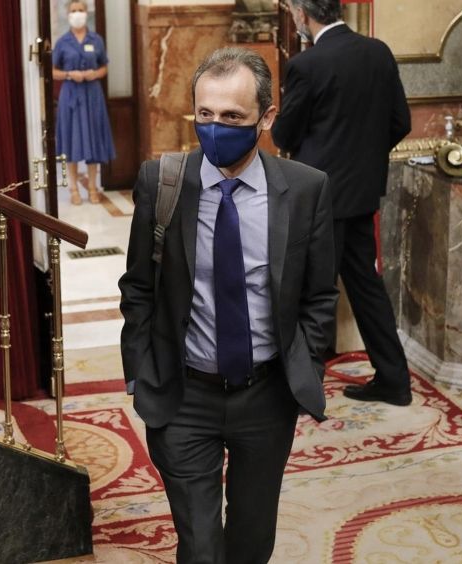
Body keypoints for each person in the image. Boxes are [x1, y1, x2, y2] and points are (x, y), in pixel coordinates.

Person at [119, 47, 337, 563]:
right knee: (200, 546)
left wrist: (306, 367)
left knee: (251, 542)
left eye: (233, 117)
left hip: (266, 396)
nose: (215, 128)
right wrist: (141, 372)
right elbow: (139, 287)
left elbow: (319, 295)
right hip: (182, 395)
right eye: (205, 114)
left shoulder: (305, 189)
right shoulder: (161, 182)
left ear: (266, 117)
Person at [272, 0, 414, 406]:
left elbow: (285, 134)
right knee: (366, 286)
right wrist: (363, 159)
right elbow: (400, 122)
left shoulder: (307, 65)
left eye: (293, 11)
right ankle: (395, 380)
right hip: (362, 193)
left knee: (314, 292)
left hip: (320, 197)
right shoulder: (378, 52)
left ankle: (304, 390)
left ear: (303, 14)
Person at [52, 0, 116, 205]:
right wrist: (69, 74)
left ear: (86, 13)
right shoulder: (62, 42)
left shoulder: (95, 40)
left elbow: (104, 67)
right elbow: (53, 71)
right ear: (68, 14)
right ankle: (73, 189)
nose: (77, 14)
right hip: (71, 94)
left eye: (80, 10)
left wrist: (93, 74)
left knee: (93, 140)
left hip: (92, 95)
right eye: (73, 11)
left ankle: (92, 188)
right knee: (72, 141)